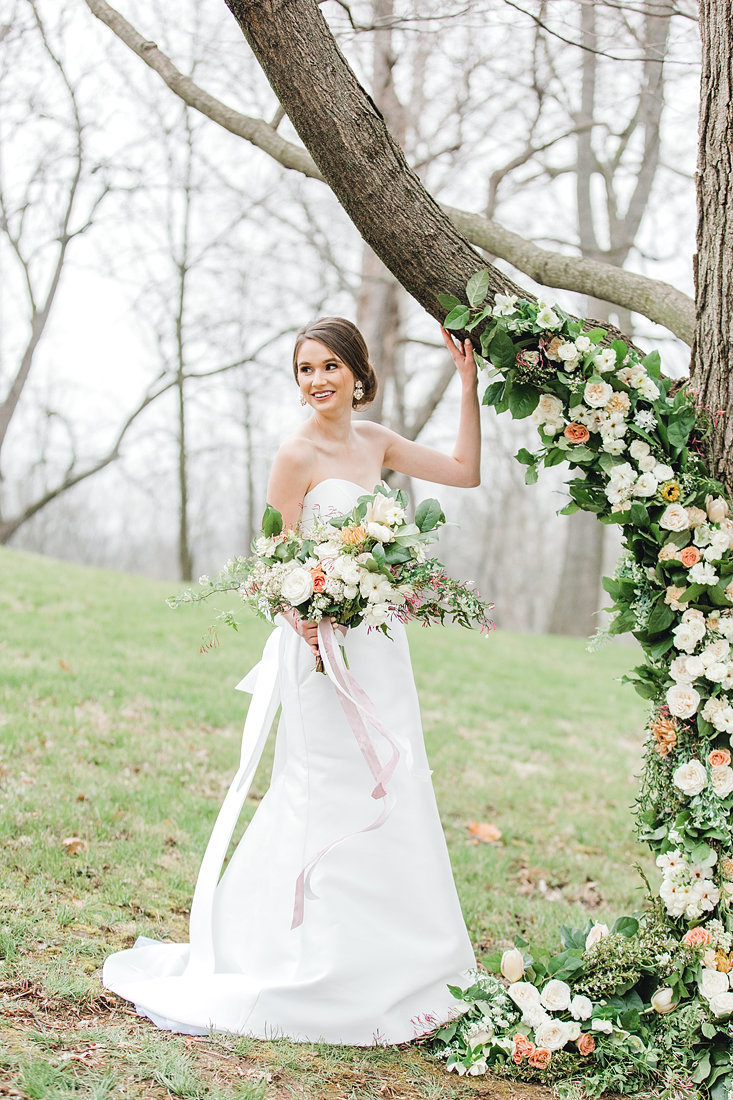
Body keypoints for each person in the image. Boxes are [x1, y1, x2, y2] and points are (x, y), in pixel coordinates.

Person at [103, 316, 482, 1046]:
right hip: (317, 650)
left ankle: (396, 959)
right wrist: (301, 615)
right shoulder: (294, 453)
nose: (316, 381)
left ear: (356, 373)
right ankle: (299, 951)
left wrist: (468, 385)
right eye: (305, 369)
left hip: (378, 644)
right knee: (322, 790)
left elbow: (464, 473)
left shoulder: (376, 444)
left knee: (395, 782)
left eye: (329, 367)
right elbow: (268, 562)